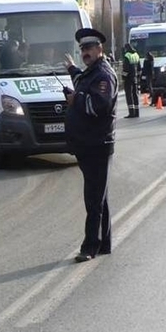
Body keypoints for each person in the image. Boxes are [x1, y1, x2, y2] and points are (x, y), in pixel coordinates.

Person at [62, 28, 118, 263]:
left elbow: (99, 105)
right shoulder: (90, 73)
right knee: (99, 196)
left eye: (89, 48)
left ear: (99, 49)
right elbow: (82, 82)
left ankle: (90, 247)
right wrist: (72, 69)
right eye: (83, 49)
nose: (85, 52)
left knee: (94, 198)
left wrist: (76, 99)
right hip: (88, 144)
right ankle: (104, 243)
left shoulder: (104, 75)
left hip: (97, 145)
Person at [122, 43, 142, 118]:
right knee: (135, 94)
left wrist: (123, 77)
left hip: (128, 79)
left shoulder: (127, 55)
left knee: (129, 95)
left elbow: (126, 69)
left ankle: (131, 113)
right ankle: (137, 112)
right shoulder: (136, 55)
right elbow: (139, 68)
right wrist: (138, 76)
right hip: (135, 78)